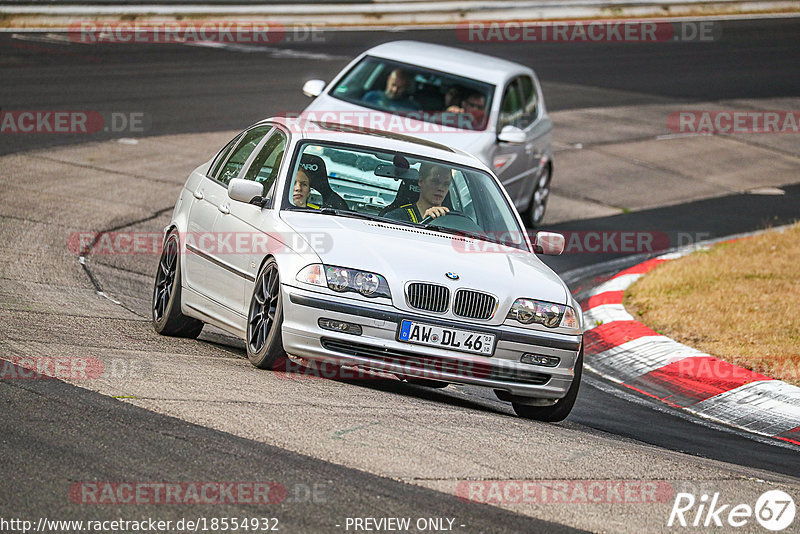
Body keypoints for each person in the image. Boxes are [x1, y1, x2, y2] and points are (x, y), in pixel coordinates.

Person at [385, 163, 452, 223]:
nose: (441, 188)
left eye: (446, 184)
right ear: (421, 181)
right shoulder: (396, 217)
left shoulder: (452, 221)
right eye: (435, 181)